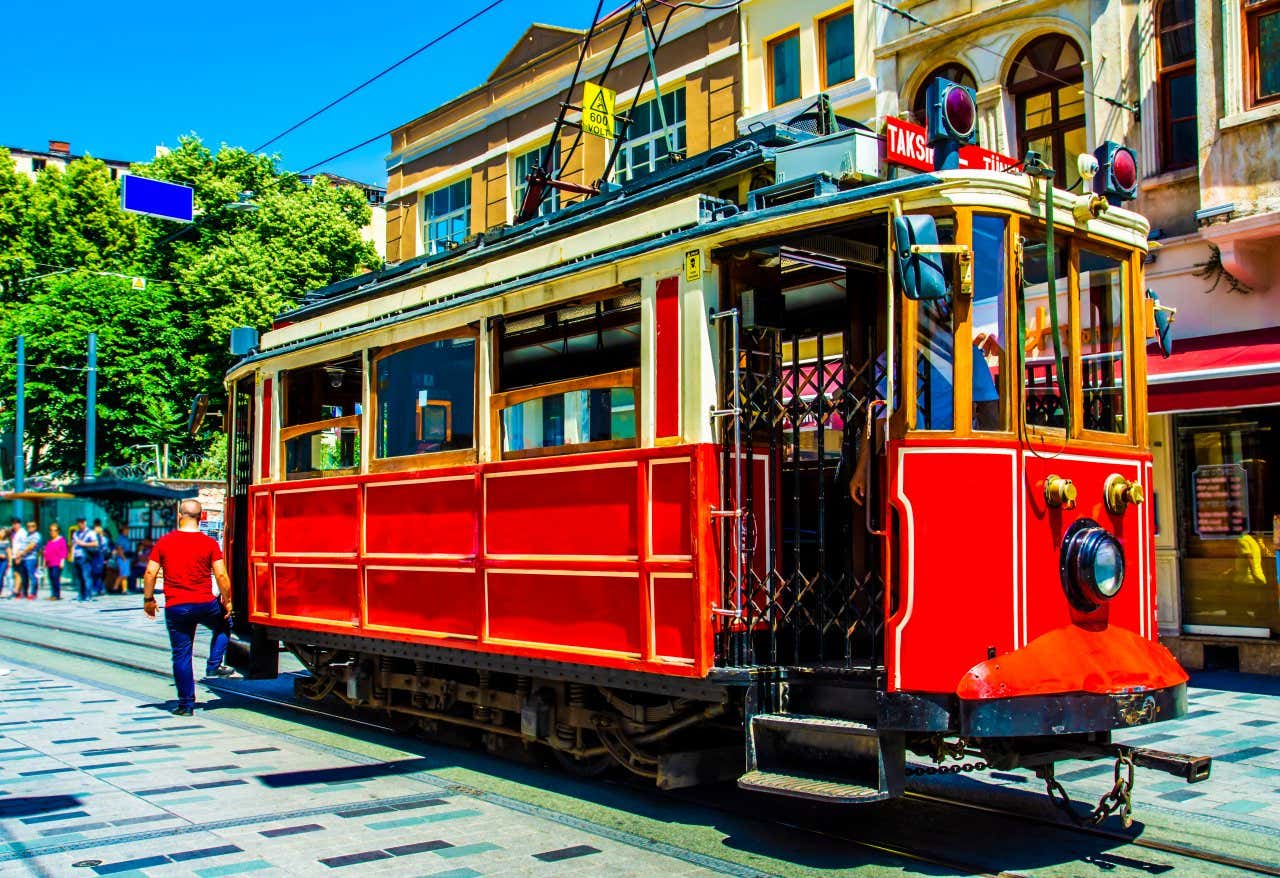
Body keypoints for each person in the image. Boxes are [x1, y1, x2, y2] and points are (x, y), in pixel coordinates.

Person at [143, 499, 239, 716]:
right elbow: (221, 575)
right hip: (204, 603)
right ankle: (214, 664)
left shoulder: (165, 542)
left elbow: (150, 573)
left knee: (182, 655)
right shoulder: (209, 544)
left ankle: (186, 705)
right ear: (201, 516)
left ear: (179, 515)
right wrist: (228, 600)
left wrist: (148, 600)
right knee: (225, 624)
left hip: (177, 607)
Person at [11, 519, 40, 600]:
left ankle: (33, 593)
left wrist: (21, 553)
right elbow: (22, 546)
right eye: (28, 526)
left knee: (32, 576)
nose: (30, 528)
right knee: (24, 577)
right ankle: (24, 593)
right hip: (24, 558)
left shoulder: (36, 535)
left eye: (32, 526)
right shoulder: (27, 535)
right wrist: (18, 555)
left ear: (36, 527)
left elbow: (31, 546)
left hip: (31, 558)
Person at [72, 518, 97, 602]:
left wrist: (84, 544)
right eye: (79, 522)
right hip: (77, 557)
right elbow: (73, 545)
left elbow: (95, 543)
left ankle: (88, 595)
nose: (80, 524)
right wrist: (72, 556)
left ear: (85, 523)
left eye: (82, 522)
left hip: (85, 557)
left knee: (86, 576)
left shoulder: (90, 533)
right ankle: (81, 595)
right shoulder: (76, 533)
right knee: (79, 578)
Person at [43, 523, 67, 601]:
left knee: (55, 578)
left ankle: (57, 595)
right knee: (51, 578)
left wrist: (62, 561)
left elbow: (64, 551)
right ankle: (53, 594)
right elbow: (46, 552)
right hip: (50, 563)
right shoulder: (49, 541)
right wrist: (44, 562)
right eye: (51, 530)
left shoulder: (61, 540)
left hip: (57, 563)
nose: (52, 532)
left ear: (58, 531)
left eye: (54, 530)